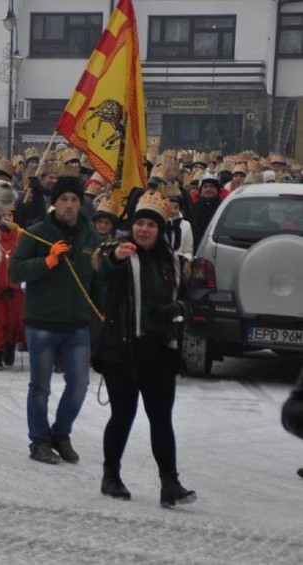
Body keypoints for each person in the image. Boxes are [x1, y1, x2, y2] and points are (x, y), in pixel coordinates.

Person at [93, 189, 197, 508]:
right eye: (139, 224)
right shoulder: (118, 250)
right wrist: (116, 258)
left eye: (151, 225)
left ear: (160, 229)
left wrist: (177, 307)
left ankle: (170, 483)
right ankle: (111, 475)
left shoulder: (176, 263)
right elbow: (104, 270)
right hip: (122, 350)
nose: (144, 230)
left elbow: (192, 301)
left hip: (160, 352)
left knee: (161, 418)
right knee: (123, 415)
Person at [10, 176, 104, 465]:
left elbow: (98, 282)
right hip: (41, 324)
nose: (69, 205)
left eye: (75, 200)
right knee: (40, 387)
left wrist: (101, 314)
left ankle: (60, 434)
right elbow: (15, 272)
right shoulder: (37, 233)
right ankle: (39, 441)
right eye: (63, 199)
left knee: (79, 386)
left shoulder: (91, 237)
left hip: (77, 324)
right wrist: (46, 262)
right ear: (54, 203)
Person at [0, 207, 24, 369]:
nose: (7, 218)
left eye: (10, 215)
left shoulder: (21, 235)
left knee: (14, 322)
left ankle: (9, 348)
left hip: (15, 284)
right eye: (4, 215)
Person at [192, 176, 223, 249]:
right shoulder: (193, 207)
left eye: (212, 187)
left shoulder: (222, 207)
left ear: (217, 190)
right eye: (205, 187)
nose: (208, 189)